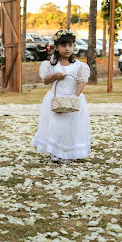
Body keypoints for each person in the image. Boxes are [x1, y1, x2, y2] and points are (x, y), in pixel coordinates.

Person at [31, 29, 91, 163]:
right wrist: (54, 76)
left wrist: (75, 96)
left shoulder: (78, 65)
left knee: (71, 126)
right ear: (56, 48)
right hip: (55, 99)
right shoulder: (52, 65)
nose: (67, 48)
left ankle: (69, 152)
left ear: (74, 46)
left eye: (70, 45)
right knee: (56, 125)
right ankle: (54, 151)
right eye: (64, 45)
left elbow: (81, 81)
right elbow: (46, 81)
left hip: (72, 99)